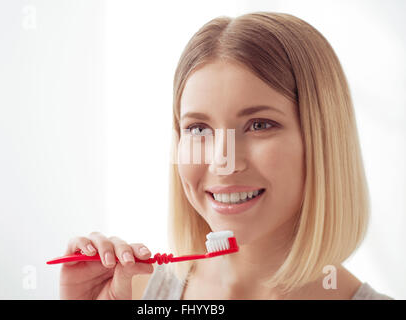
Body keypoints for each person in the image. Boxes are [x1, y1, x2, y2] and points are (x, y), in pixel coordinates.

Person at [58, 12, 393, 300]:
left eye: (259, 125)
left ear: (323, 140)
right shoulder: (136, 293)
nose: (223, 161)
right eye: (199, 129)